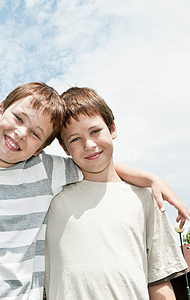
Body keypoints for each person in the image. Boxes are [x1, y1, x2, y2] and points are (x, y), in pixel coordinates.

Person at [0, 82, 189, 300]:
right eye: (18, 118)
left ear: (41, 149)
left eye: (35, 134)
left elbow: (95, 162)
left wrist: (151, 178)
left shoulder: (44, 171)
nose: (20, 133)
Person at [44, 87, 188, 299]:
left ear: (112, 128)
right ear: (65, 149)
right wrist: (151, 177)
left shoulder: (147, 198)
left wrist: (151, 180)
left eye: (95, 131)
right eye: (75, 139)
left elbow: (159, 280)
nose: (89, 145)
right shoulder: (50, 197)